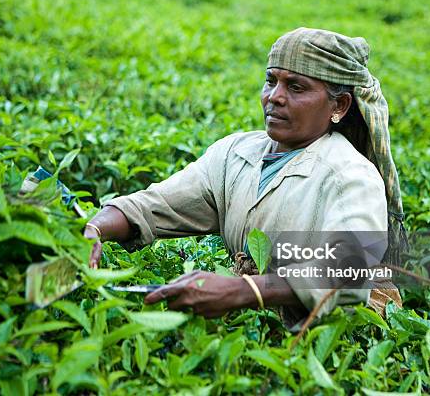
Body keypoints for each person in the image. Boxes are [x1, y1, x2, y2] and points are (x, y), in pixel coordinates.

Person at [84, 28, 406, 329]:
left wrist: (241, 290)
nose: (274, 97)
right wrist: (97, 227)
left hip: (333, 339)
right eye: (271, 81)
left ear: (339, 105)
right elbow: (157, 205)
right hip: (258, 326)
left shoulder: (352, 177)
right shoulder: (236, 153)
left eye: (296, 87)